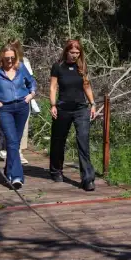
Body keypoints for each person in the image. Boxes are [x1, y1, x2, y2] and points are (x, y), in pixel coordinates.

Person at [49, 39, 98, 191]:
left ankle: (88, 179)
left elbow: (86, 85)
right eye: (72, 53)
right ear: (66, 52)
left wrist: (93, 104)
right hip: (63, 108)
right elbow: (53, 87)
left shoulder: (81, 67)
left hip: (81, 109)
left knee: (83, 140)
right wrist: (53, 105)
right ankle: (56, 170)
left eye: (77, 53)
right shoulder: (58, 67)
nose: (75, 56)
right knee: (58, 140)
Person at [0, 43, 37, 189]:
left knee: (15, 142)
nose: (10, 61)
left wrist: (31, 95)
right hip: (5, 108)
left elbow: (32, 82)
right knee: (11, 141)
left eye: (12, 57)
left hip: (22, 107)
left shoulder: (21, 67)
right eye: (7, 58)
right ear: (1, 58)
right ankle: (17, 177)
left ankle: (8, 171)